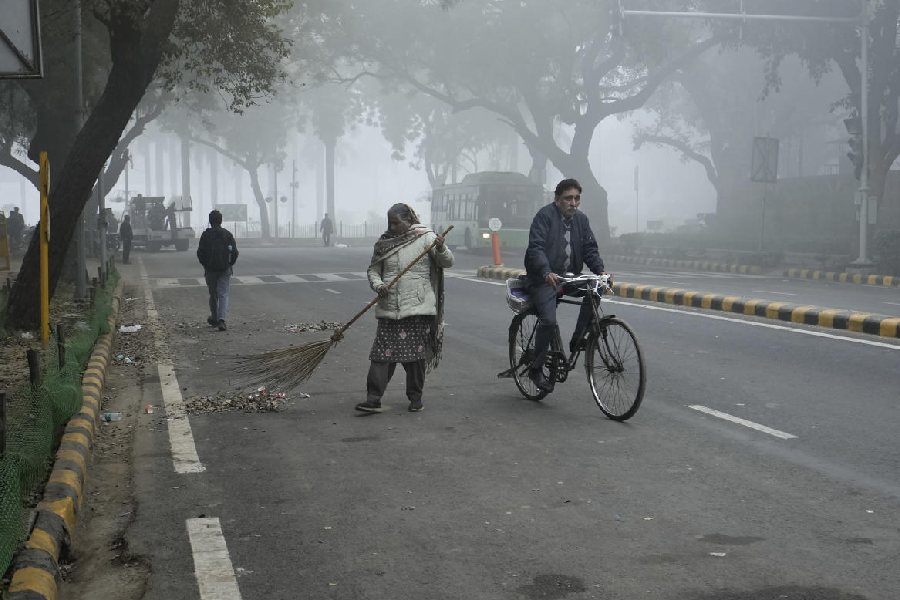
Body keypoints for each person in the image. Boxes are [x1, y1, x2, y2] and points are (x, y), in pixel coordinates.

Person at [355, 203, 453, 413]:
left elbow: (447, 262)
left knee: (415, 358)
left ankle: (415, 398)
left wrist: (440, 247)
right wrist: (379, 285)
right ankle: (373, 398)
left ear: (409, 220)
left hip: (417, 309)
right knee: (381, 356)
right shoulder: (383, 243)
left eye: (396, 222)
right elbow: (373, 270)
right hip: (389, 309)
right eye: (389, 222)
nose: (392, 226)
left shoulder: (426, 238)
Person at [523, 178, 605, 393]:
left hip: (569, 278)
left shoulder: (582, 220)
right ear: (557, 200)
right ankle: (536, 368)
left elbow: (590, 249)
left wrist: (600, 271)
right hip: (543, 279)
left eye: (577, 198)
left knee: (596, 287)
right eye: (568, 198)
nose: (573, 203)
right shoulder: (544, 216)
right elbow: (536, 248)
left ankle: (578, 339)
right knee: (548, 321)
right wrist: (545, 271)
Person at [197, 209, 239, 331]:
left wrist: (206, 265)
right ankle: (222, 320)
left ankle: (214, 317)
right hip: (225, 268)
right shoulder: (227, 234)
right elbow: (235, 252)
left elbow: (200, 253)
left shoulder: (206, 235)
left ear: (210, 221)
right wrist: (230, 264)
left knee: (213, 294)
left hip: (210, 270)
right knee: (224, 294)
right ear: (221, 221)